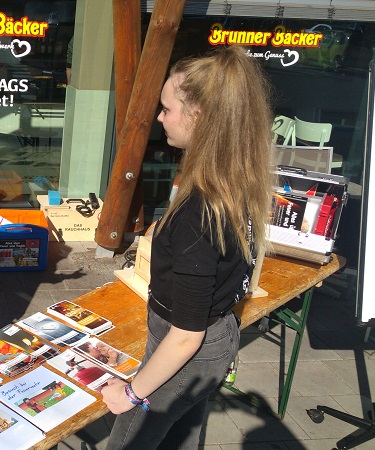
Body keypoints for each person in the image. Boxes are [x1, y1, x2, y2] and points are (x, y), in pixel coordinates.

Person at [100, 45, 273, 449]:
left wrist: (129, 394)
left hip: (187, 350)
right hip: (215, 340)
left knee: (131, 441)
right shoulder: (234, 180)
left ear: (199, 116)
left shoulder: (200, 211)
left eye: (167, 108)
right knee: (181, 438)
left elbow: (185, 337)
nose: (160, 117)